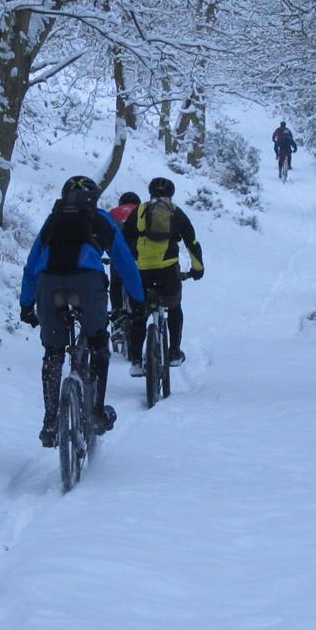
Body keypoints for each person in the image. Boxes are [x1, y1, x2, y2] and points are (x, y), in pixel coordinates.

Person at [19, 176, 144, 447]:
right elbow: (124, 261)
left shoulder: (52, 221)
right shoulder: (100, 218)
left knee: (53, 353)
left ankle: (50, 422)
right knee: (98, 342)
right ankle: (97, 411)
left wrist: (26, 304)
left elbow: (31, 265)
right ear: (93, 199)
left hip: (48, 283)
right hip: (87, 283)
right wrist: (138, 300)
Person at [122, 177, 204, 376]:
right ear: (171, 194)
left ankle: (135, 360)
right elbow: (191, 241)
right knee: (174, 307)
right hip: (168, 269)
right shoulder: (175, 212)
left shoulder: (139, 210)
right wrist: (197, 268)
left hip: (141, 270)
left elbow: (125, 237)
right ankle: (174, 352)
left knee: (138, 314)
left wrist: (131, 262)